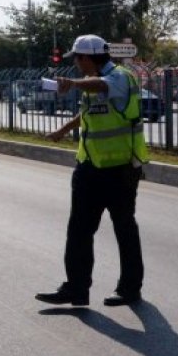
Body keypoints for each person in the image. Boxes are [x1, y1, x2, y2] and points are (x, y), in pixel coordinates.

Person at [35, 34, 149, 307]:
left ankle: (130, 289)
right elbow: (89, 112)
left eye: (77, 59)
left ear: (87, 58)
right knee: (79, 230)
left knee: (124, 229)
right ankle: (76, 288)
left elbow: (101, 85)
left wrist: (72, 84)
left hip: (120, 170)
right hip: (90, 168)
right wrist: (63, 130)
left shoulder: (120, 77)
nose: (75, 64)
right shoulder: (94, 84)